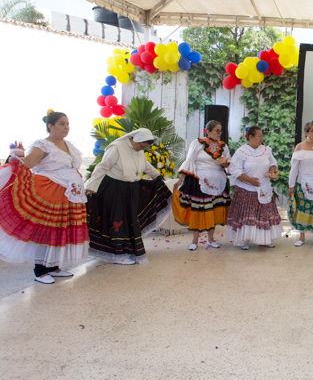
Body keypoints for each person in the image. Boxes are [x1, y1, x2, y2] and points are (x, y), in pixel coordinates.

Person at [0, 112, 88, 284]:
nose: (66, 127)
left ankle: (53, 266)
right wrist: (15, 157)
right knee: (47, 229)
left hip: (69, 194)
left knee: (60, 229)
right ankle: (40, 271)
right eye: (62, 124)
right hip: (50, 192)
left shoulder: (68, 145)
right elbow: (29, 164)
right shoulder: (42, 145)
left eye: (67, 124)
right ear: (50, 126)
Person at [85, 128, 172, 265]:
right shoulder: (117, 147)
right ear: (134, 139)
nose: (141, 149)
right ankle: (118, 254)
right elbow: (102, 167)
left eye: (144, 148)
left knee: (129, 221)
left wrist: (157, 176)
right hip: (115, 189)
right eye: (141, 146)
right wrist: (91, 186)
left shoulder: (139, 150)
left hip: (131, 189)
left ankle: (127, 251)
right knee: (117, 222)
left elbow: (145, 165)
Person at [172, 120, 231, 250]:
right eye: (217, 130)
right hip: (200, 181)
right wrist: (180, 180)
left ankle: (211, 239)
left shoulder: (223, 146)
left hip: (218, 181)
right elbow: (190, 161)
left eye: (220, 131)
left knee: (213, 209)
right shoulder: (197, 143)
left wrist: (224, 164)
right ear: (208, 131)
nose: (219, 133)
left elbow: (227, 164)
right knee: (198, 210)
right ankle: (194, 241)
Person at [227, 126, 283, 248]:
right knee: (247, 215)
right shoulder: (241, 152)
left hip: (263, 187)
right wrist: (249, 180)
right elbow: (235, 171)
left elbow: (272, 164)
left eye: (262, 136)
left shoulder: (266, 150)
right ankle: (243, 240)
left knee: (264, 214)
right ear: (250, 137)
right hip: (247, 189)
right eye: (259, 136)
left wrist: (272, 172)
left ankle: (265, 239)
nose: (261, 138)